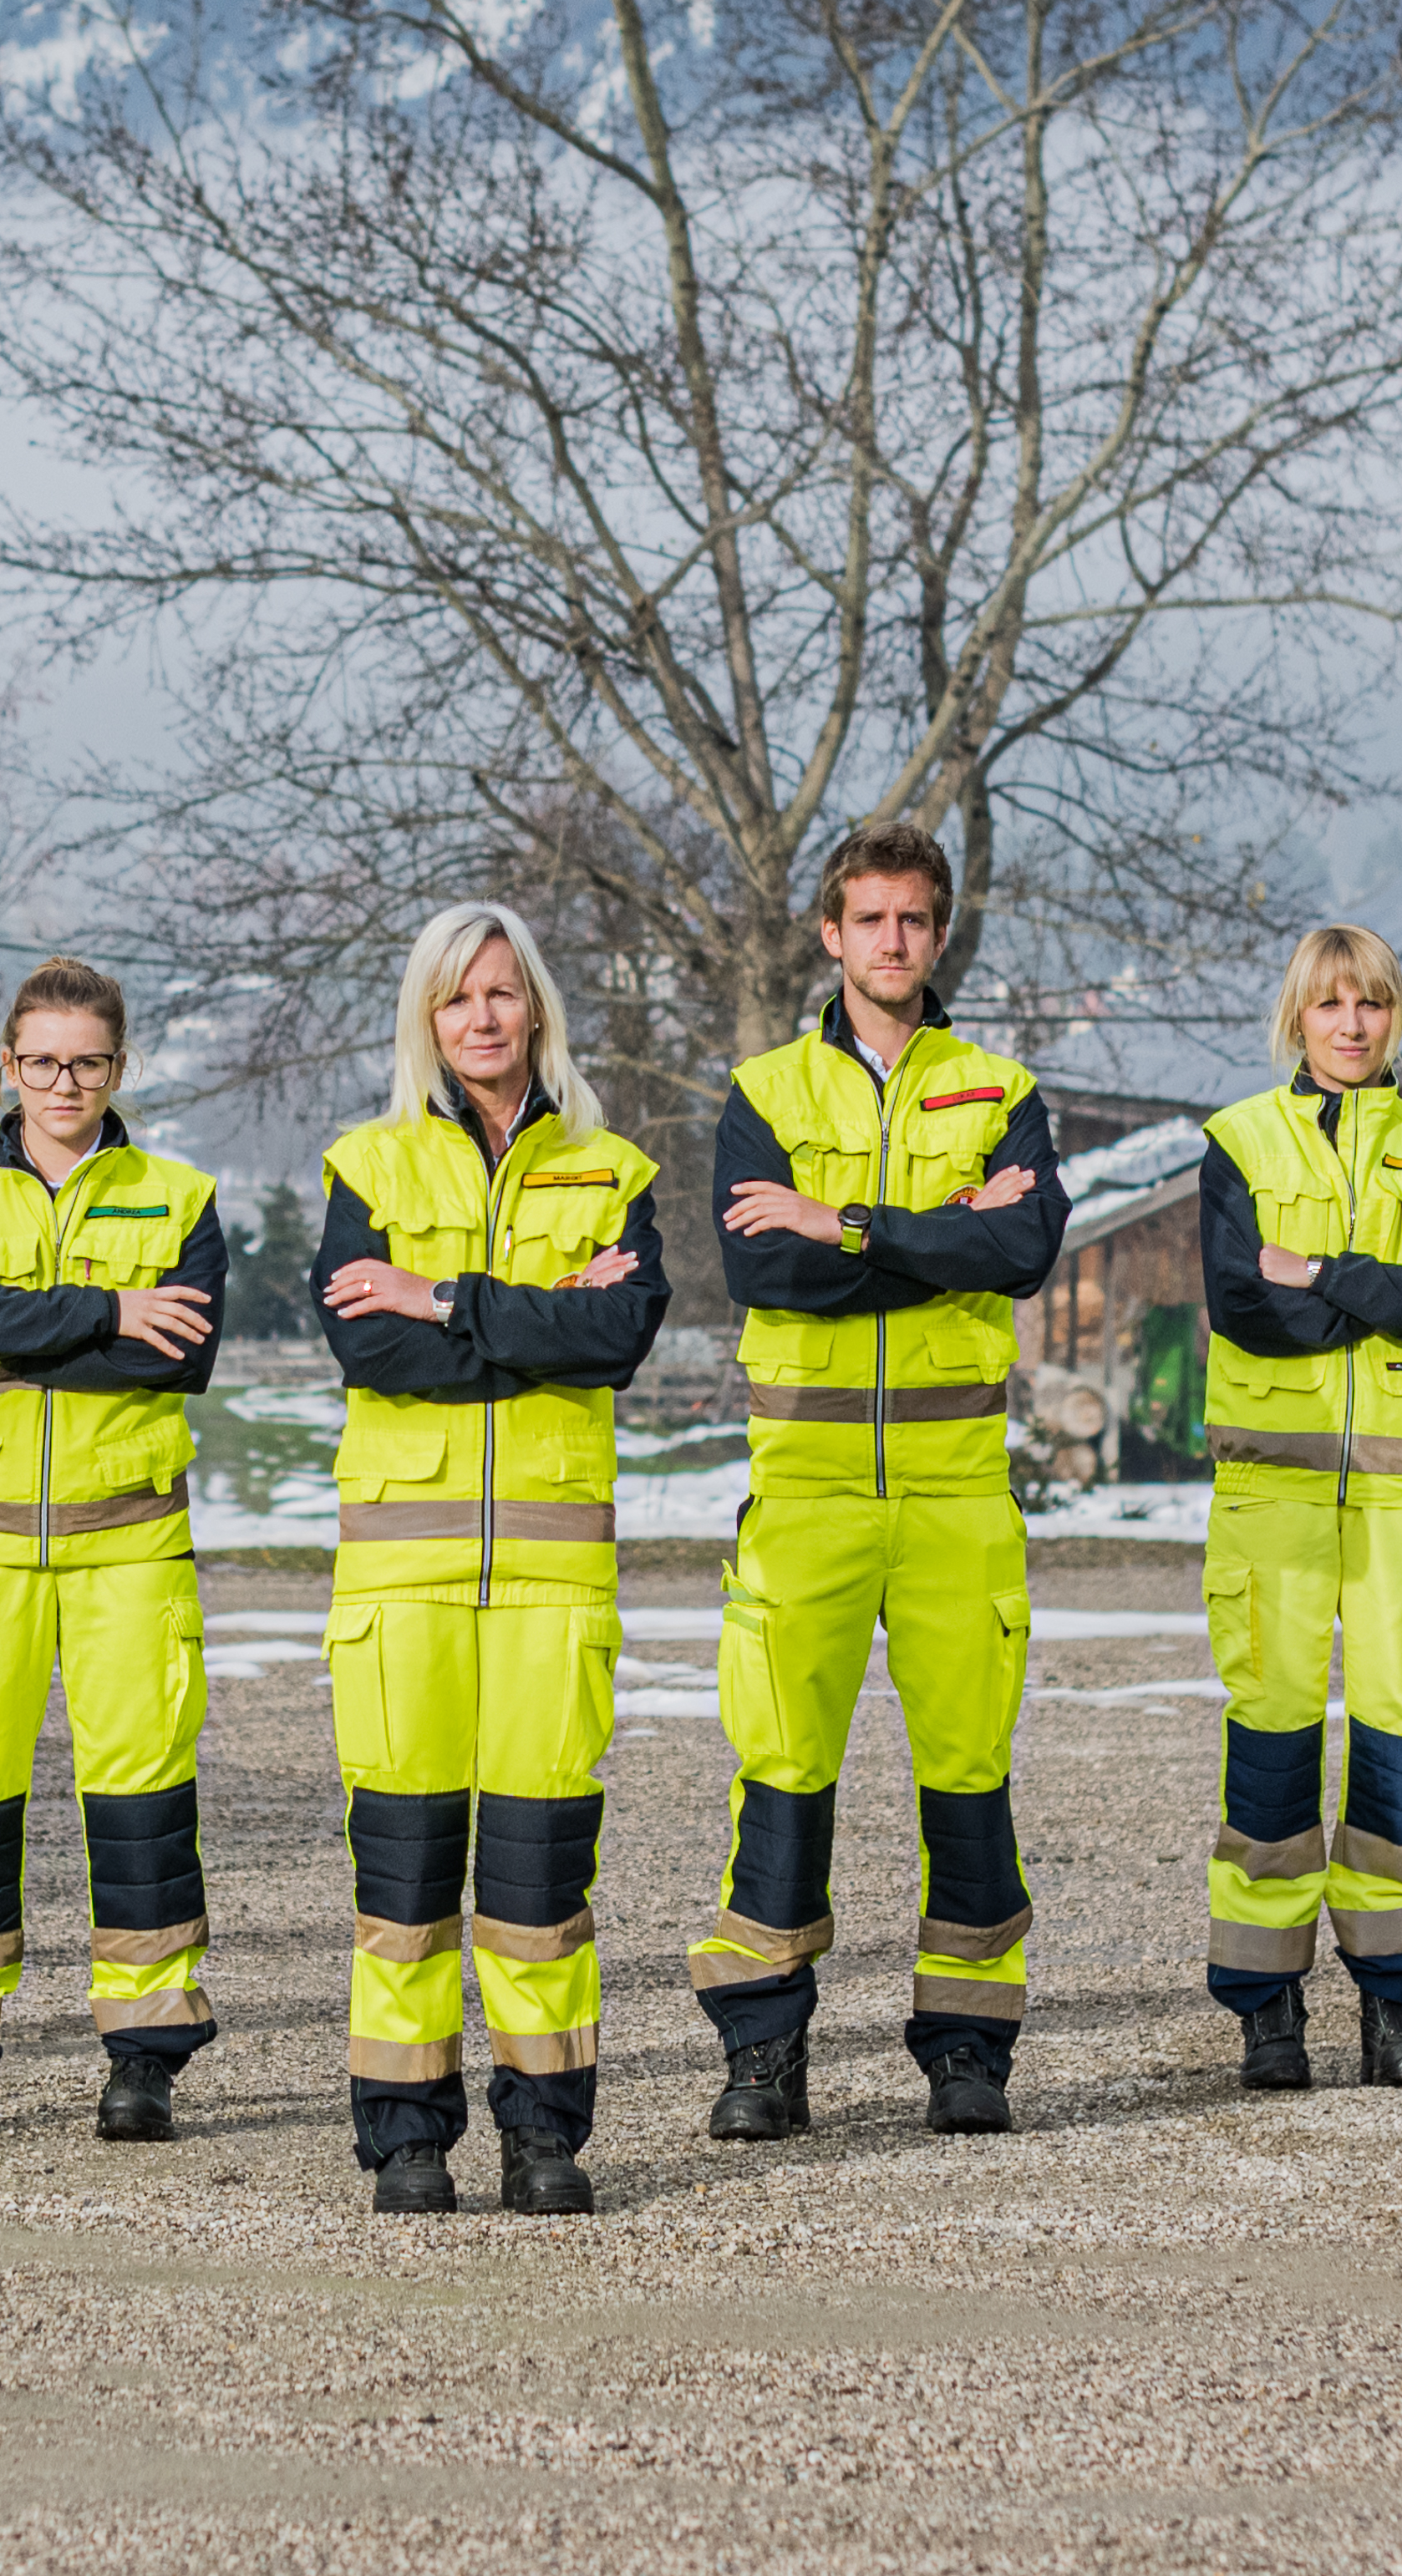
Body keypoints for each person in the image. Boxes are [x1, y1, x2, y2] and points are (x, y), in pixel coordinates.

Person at [696, 821, 1069, 2141]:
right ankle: (764, 2054)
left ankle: (968, 2052)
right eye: (871, 921)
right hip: (803, 1488)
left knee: (967, 1774)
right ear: (831, 936)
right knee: (782, 1773)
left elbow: (1021, 1250)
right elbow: (762, 1271)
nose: (893, 942)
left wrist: (843, 1221)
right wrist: (936, 1238)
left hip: (958, 1490)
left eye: (915, 920)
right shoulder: (765, 1091)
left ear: (940, 931)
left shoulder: (1000, 1085)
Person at [313, 904, 670, 2219]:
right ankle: (407, 2139)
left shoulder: (612, 1169)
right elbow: (372, 1353)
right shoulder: (367, 1167)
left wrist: (445, 1298)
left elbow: (618, 1338)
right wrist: (539, 1320)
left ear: (537, 1011)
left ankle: (543, 2137)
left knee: (537, 1880)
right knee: (403, 1877)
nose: (481, 1019)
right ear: (426, 1016)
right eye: (456, 999)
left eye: (502, 995)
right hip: (400, 1584)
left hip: (552, 1580)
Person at [0, 959, 231, 2144]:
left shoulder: (180, 1197)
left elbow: (177, 1357)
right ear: (8, 1066)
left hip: (128, 1541)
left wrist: (13, 1327)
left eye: (87, 1061)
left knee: (138, 1797)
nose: (63, 1081)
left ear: (119, 1068)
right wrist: (103, 1313)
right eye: (43, 1061)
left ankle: (144, 2055)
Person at [1196, 924, 1402, 2093]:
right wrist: (1395, 1279)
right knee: (1272, 1747)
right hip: (1271, 1499)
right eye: (1331, 1005)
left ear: (1397, 1017)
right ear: (1297, 1016)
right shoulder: (1236, 1143)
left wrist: (1319, 1270)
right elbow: (1244, 1306)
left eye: (1372, 1003)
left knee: (1398, 1741)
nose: (1352, 1025)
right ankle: (1266, 2011)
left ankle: (1396, 2010)